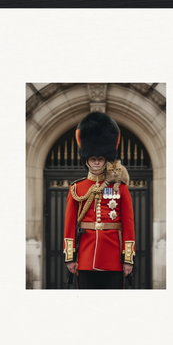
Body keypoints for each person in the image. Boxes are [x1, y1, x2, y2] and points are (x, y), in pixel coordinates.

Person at [63, 112, 135, 289]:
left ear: (106, 159)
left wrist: (128, 259)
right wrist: (70, 257)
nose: (96, 162)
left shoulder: (121, 188)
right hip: (86, 258)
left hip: (113, 258)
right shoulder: (76, 188)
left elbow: (128, 224)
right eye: (93, 159)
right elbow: (70, 225)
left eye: (100, 158)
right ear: (87, 159)